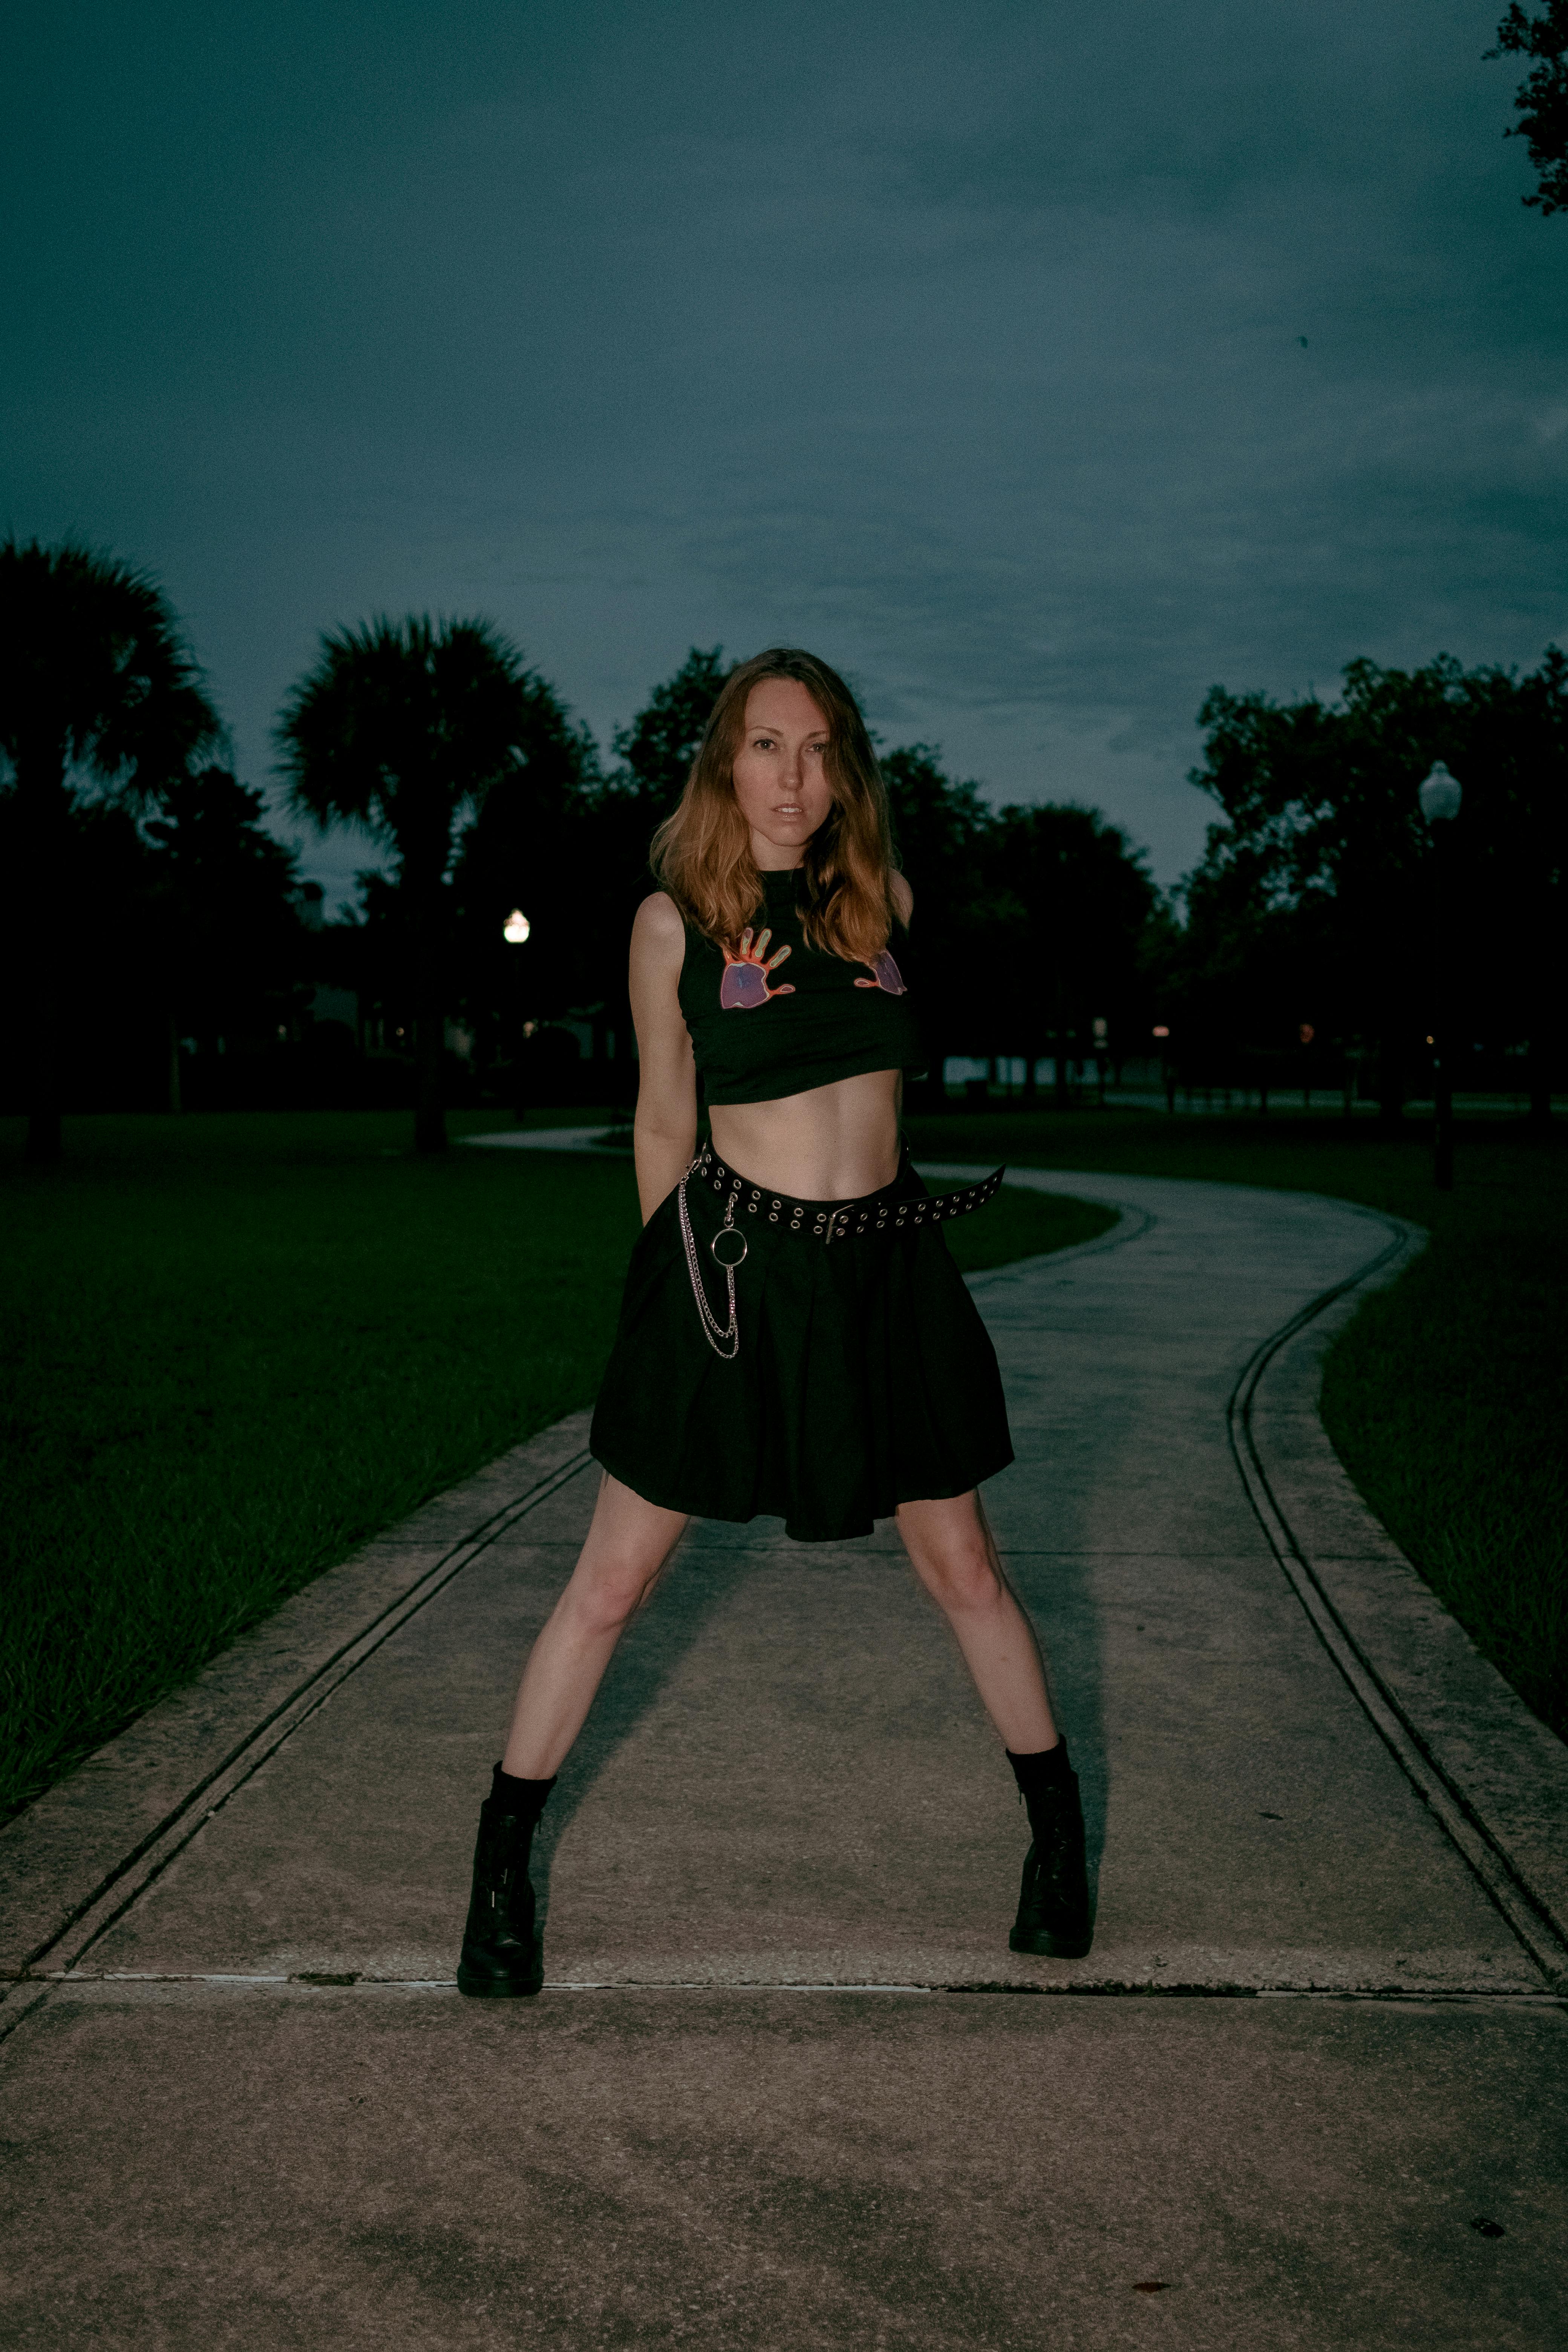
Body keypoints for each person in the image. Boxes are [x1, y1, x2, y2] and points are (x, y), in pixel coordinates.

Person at [456, 647, 1090, 1996]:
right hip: (736, 1269)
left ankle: (1057, 1843)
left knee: (965, 1566)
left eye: (815, 748)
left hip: (890, 1273)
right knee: (613, 1582)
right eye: (765, 746)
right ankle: (500, 1864)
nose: (792, 776)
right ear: (724, 763)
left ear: (843, 765)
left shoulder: (884, 904)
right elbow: (661, 1120)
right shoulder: (673, 922)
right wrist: (672, 1288)